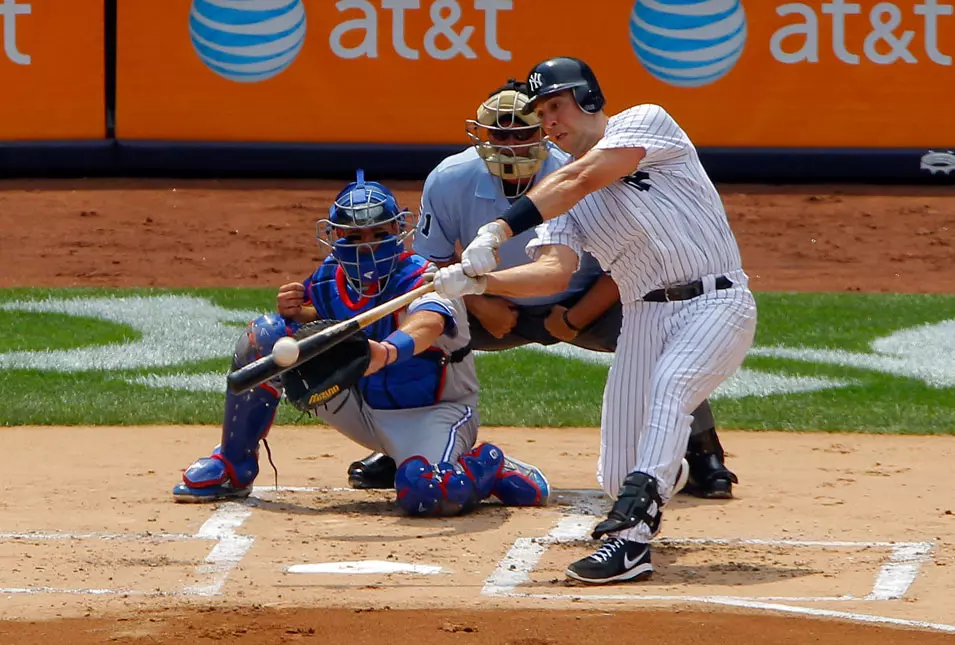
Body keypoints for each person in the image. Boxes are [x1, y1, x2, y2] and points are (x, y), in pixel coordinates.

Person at [432, 58, 758, 584]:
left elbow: (584, 176)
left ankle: (630, 540)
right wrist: (477, 283)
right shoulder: (561, 201)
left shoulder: (645, 123)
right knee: (615, 473)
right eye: (541, 112)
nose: (549, 121)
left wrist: (496, 228)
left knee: (671, 388)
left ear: (586, 98)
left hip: (714, 302)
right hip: (643, 317)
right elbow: (551, 273)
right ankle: (656, 470)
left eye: (555, 106)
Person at [346, 79, 739, 501]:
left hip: (590, 301)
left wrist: (575, 318)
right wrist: (481, 304)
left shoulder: (579, 170)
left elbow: (636, 263)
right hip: (492, 307)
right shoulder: (450, 177)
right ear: (481, 135)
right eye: (501, 134)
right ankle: (410, 447)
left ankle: (703, 453)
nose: (512, 144)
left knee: (664, 324)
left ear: (544, 132)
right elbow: (427, 265)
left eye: (524, 133)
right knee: (416, 324)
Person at [171, 170, 550, 517]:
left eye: (377, 235)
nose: (366, 246)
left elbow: (428, 323)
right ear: (335, 238)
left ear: (397, 232)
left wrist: (384, 353)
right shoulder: (326, 280)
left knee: (429, 493)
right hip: (360, 404)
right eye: (354, 237)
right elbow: (333, 321)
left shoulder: (426, 277)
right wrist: (296, 313)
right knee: (267, 336)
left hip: (432, 413)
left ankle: (488, 463)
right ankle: (234, 466)